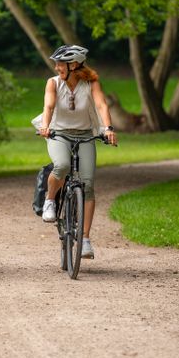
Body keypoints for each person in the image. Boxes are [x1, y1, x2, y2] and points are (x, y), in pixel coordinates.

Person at [38, 44, 117, 259]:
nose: (56, 68)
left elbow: (101, 105)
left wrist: (107, 128)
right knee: (62, 165)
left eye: (60, 64)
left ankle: (85, 239)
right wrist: (45, 126)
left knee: (88, 184)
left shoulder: (91, 83)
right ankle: (50, 200)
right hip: (58, 133)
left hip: (85, 135)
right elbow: (49, 106)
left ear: (74, 65)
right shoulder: (53, 84)